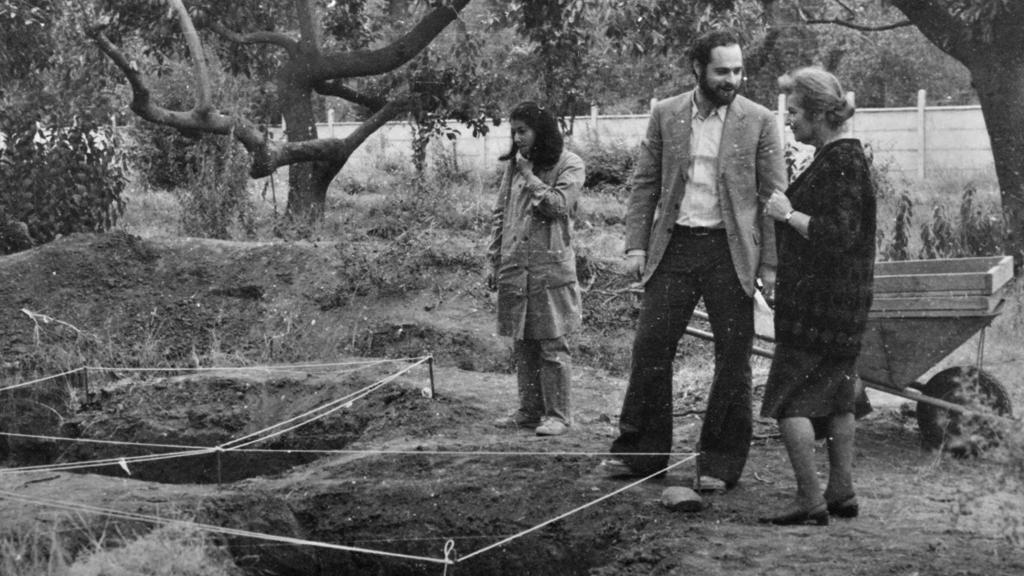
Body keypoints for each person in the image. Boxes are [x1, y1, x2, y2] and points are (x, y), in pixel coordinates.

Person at [603, 28, 786, 490]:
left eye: (738, 70)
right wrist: (637, 247)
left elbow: (773, 196)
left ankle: (720, 465)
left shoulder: (759, 120)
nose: (732, 79)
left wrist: (769, 266)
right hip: (676, 247)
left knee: (733, 358)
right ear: (698, 69)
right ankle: (642, 456)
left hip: (731, 252)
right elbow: (644, 184)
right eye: (722, 70)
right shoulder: (666, 114)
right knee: (650, 347)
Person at [758, 67, 876, 526]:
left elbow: (837, 234)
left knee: (789, 402)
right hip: (841, 305)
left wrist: (788, 215)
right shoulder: (839, 156)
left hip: (818, 308)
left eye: (796, 112)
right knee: (840, 398)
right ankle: (841, 492)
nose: (789, 122)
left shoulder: (841, 160)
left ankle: (809, 499)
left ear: (820, 115)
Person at [489, 101, 586, 437]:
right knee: (523, 341)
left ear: (540, 131)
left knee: (552, 344)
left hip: (550, 270)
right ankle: (530, 411)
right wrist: (493, 260)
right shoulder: (513, 167)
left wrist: (529, 177)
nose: (516, 139)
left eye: (523, 131)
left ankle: (558, 415)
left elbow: (558, 205)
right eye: (513, 132)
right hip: (516, 266)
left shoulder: (569, 164)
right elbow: (501, 214)